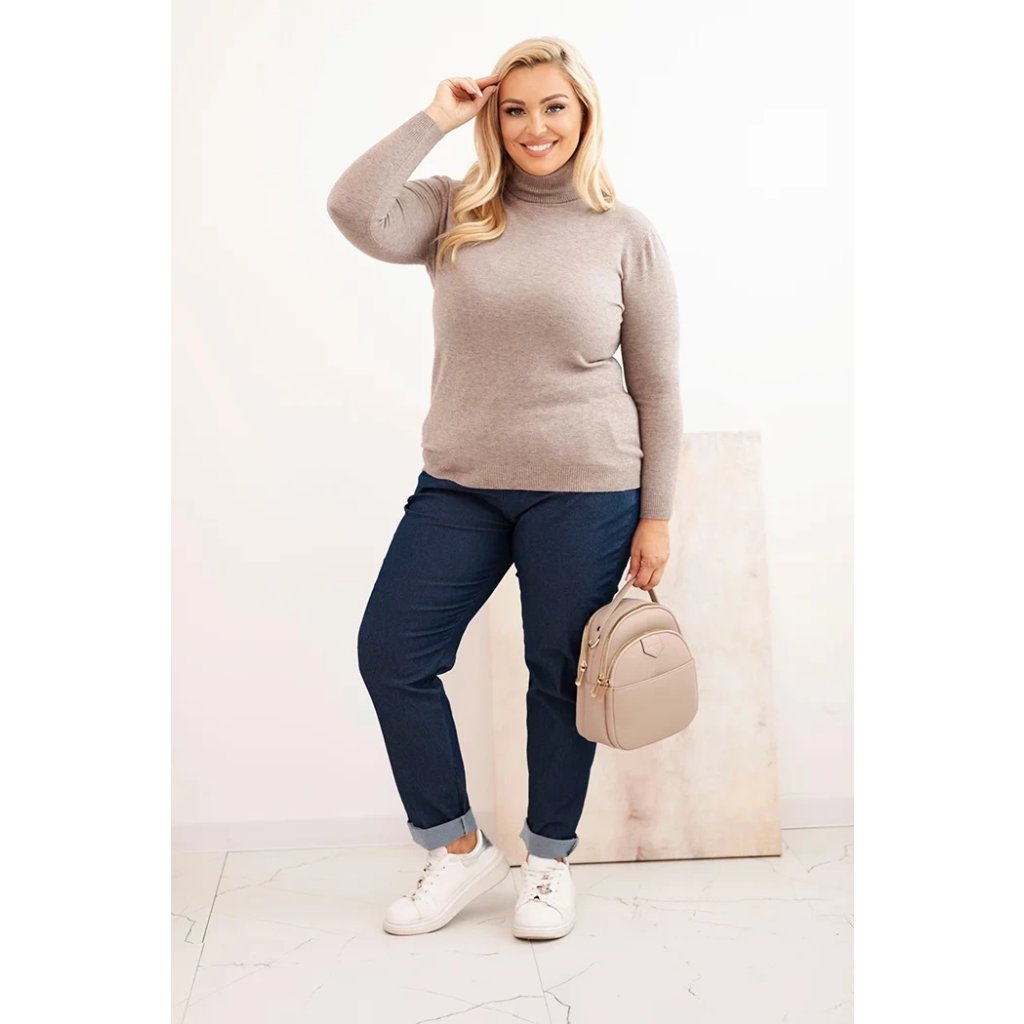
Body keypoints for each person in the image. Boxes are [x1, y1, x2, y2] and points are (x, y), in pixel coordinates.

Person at [326, 37, 681, 941]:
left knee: (557, 676)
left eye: (553, 106)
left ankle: (549, 862)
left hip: (587, 489)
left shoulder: (625, 233)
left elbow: (658, 388)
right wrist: (435, 118)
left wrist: (657, 516)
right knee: (392, 653)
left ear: (583, 114)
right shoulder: (453, 209)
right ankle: (457, 848)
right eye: (514, 109)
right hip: (461, 486)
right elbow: (352, 209)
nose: (534, 126)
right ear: (493, 118)